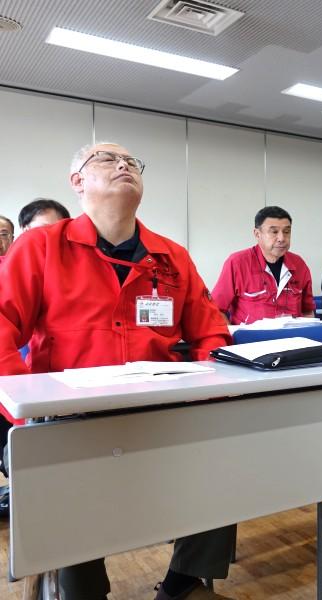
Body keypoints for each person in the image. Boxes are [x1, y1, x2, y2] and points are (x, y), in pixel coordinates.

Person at [0, 142, 236, 600]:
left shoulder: (171, 257)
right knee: (64, 478)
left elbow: (212, 334)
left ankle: (184, 583)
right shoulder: (41, 247)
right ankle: (83, 591)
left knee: (225, 452)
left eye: (132, 161)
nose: (123, 164)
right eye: (107, 159)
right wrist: (24, 409)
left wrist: (207, 397)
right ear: (77, 181)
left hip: (159, 410)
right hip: (68, 417)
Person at [0, 198, 72, 519]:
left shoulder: (67, 273)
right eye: (37, 231)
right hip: (16, 389)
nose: (45, 238)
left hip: (47, 390)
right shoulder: (16, 272)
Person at [211, 206, 315, 324]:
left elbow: (307, 311)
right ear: (257, 234)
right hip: (251, 336)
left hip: (293, 334)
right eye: (274, 232)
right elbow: (216, 310)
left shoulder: (299, 264)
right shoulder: (237, 263)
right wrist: (232, 333)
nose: (281, 238)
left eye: (286, 232)